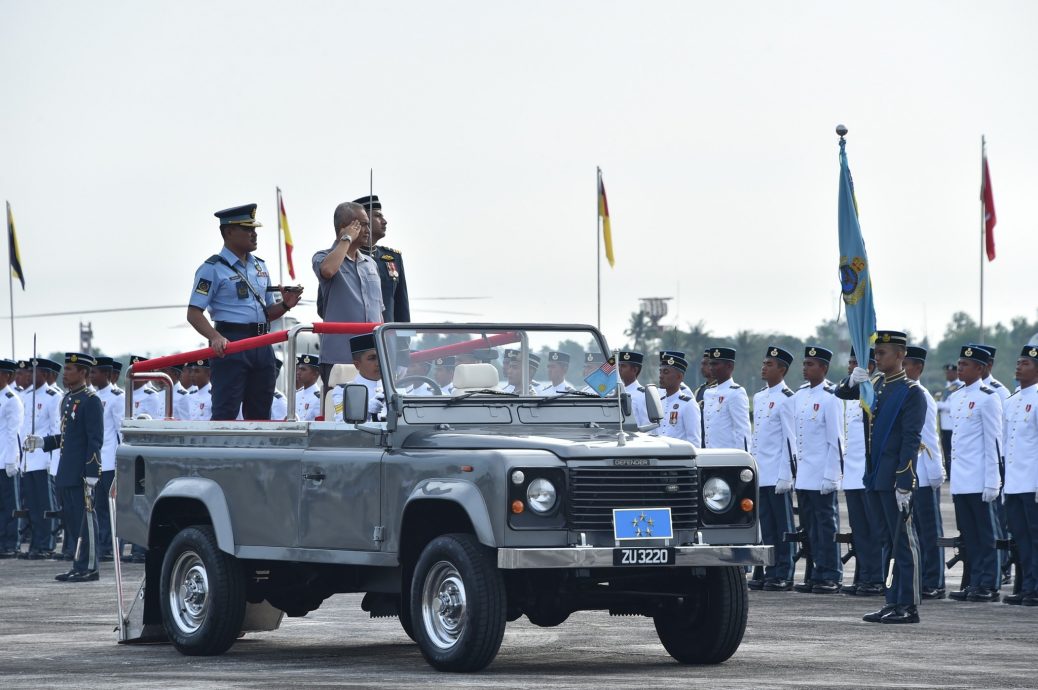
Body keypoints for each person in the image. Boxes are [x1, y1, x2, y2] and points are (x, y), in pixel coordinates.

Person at [838, 332, 926, 623]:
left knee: (903, 542)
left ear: (901, 355)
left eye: (883, 353)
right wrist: (853, 379)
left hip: (893, 479)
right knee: (886, 542)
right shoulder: (874, 384)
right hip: (874, 476)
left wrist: (904, 481)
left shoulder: (912, 392)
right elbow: (842, 393)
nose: (877, 358)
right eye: (876, 353)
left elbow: (911, 440)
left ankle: (909, 605)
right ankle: (891, 600)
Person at [188, 204, 301, 420]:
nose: (254, 234)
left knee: (260, 413)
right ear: (229, 232)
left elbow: (268, 312)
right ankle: (221, 454)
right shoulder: (212, 268)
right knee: (226, 413)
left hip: (262, 342)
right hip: (232, 342)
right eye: (247, 229)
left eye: (255, 229)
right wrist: (215, 337)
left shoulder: (260, 266)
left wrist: (286, 305)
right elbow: (193, 313)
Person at [23, 353, 104, 583]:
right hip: (66, 470)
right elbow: (68, 437)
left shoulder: (91, 400)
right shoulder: (69, 399)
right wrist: (42, 442)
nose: (65, 373)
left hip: (81, 472)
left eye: (70, 369)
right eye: (65, 368)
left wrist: (91, 472)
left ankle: (89, 567)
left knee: (86, 520)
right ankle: (78, 566)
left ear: (83, 373)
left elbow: (94, 440)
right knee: (73, 522)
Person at [947, 345, 1004, 602]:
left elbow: (994, 442)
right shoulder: (956, 397)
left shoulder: (988, 397)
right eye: (960, 363)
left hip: (981, 478)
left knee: (985, 535)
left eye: (966, 364)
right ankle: (973, 582)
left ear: (980, 369)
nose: (961, 367)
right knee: (969, 535)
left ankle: (988, 584)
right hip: (961, 479)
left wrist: (993, 480)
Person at [313, 201, 384, 386]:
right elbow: (328, 270)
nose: (368, 229)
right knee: (336, 409)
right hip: (340, 355)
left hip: (374, 357)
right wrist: (346, 239)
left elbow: (379, 310)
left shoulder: (370, 263)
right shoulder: (322, 257)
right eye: (362, 224)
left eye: (368, 224)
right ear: (344, 227)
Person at [792, 345, 844, 594]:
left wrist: (832, 476)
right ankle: (814, 572)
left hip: (822, 473)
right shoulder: (800, 396)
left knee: (826, 526)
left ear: (823, 368)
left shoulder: (831, 396)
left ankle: (831, 573)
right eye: (805, 363)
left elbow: (836, 440)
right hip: (804, 474)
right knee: (809, 527)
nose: (805, 367)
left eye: (811, 364)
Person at [749, 346, 796, 591]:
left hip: (778, 473)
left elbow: (790, 441)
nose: (764, 367)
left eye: (769, 364)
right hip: (762, 471)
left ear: (782, 370)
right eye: (764, 363)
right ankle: (769, 570)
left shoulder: (788, 399)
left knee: (783, 527)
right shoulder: (759, 397)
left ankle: (784, 572)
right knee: (766, 526)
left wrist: (786, 475)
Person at [838, 348, 884, 597]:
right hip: (853, 471)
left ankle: (877, 577)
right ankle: (865, 576)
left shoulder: (879, 387)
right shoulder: (854, 387)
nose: (851, 365)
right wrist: (853, 379)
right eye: (850, 361)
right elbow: (841, 391)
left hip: (870, 471)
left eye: (857, 362)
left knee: (875, 529)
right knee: (860, 531)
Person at [903, 345, 948, 600]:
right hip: (910, 472)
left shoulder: (922, 395)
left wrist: (933, 472)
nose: (902, 369)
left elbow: (930, 439)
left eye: (906, 364)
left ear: (918, 368)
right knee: (916, 529)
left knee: (929, 530)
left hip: (923, 470)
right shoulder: (905, 393)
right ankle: (922, 578)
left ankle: (935, 580)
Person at [1000, 345, 1038, 605]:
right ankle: (1026, 586)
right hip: (1014, 482)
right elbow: (1004, 445)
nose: (1018, 366)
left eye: (1025, 363)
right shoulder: (1012, 401)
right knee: (1021, 539)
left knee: (1035, 538)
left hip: (1033, 482)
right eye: (1018, 362)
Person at [19, 358, 61, 558]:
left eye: (34, 373)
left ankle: (47, 544)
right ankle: (36, 543)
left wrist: (54, 461)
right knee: (33, 506)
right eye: (29, 373)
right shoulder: (26, 396)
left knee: (46, 506)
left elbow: (55, 431)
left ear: (45, 375)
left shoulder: (53, 397)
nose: (29, 376)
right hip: (28, 459)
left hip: (44, 458)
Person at [354, 195, 410, 323]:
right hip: (354, 337)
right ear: (363, 221)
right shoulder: (342, 257)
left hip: (386, 339)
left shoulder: (393, 258)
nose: (384, 221)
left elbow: (402, 308)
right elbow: (324, 307)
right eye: (377, 216)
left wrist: (403, 340)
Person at [90, 357, 124, 561]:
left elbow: (121, 431)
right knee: (99, 507)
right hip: (97, 461)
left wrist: (121, 461)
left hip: (112, 460)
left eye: (95, 373)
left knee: (113, 509)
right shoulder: (92, 396)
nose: (92, 376)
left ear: (108, 374)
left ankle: (114, 546)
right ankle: (103, 545)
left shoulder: (117, 396)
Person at [702, 347, 751, 451]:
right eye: (710, 364)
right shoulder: (708, 393)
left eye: (715, 364)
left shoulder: (736, 393)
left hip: (729, 458)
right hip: (709, 456)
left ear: (729, 366)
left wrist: (743, 459)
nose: (711, 367)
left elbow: (742, 430)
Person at [0, 359, 25, 558]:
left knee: (10, 505)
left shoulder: (11, 399)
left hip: (6, 460)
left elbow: (13, 433)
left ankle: (11, 542)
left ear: (8, 376)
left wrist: (12, 460)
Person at [655, 353, 701, 446]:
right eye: (660, 372)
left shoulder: (688, 404)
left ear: (679, 377)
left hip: (679, 458)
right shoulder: (659, 402)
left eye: (666, 372)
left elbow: (694, 441)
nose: (661, 376)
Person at [935, 363, 962, 478]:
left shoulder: (959, 386)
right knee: (946, 450)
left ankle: (953, 473)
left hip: (952, 425)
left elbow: (953, 406)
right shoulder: (947, 387)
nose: (947, 374)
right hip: (944, 424)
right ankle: (948, 472)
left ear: (956, 373)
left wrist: (939, 405)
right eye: (946, 372)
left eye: (950, 372)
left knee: (953, 451)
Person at [617, 350, 649, 427]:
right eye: (619, 365)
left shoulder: (642, 395)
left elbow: (647, 425)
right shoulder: (617, 392)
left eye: (623, 366)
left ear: (635, 370)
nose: (619, 369)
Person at [295, 354, 323, 421]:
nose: (298, 372)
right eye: (299, 369)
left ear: (315, 374)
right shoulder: (297, 394)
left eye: (303, 369)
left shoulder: (319, 398)